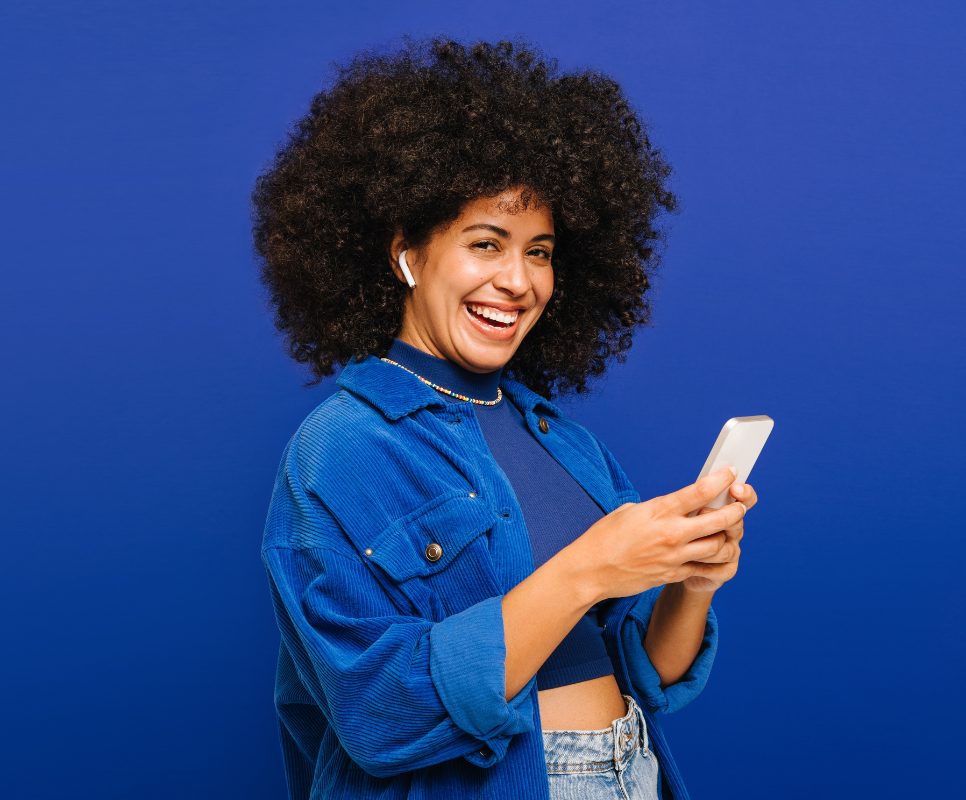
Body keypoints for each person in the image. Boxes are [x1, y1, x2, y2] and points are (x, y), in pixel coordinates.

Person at [252, 37, 756, 800]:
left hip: (632, 774)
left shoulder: (562, 440)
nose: (517, 281)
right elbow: (379, 714)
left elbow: (649, 674)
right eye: (485, 243)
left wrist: (693, 581)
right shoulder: (341, 449)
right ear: (408, 255)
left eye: (540, 251)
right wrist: (590, 569)